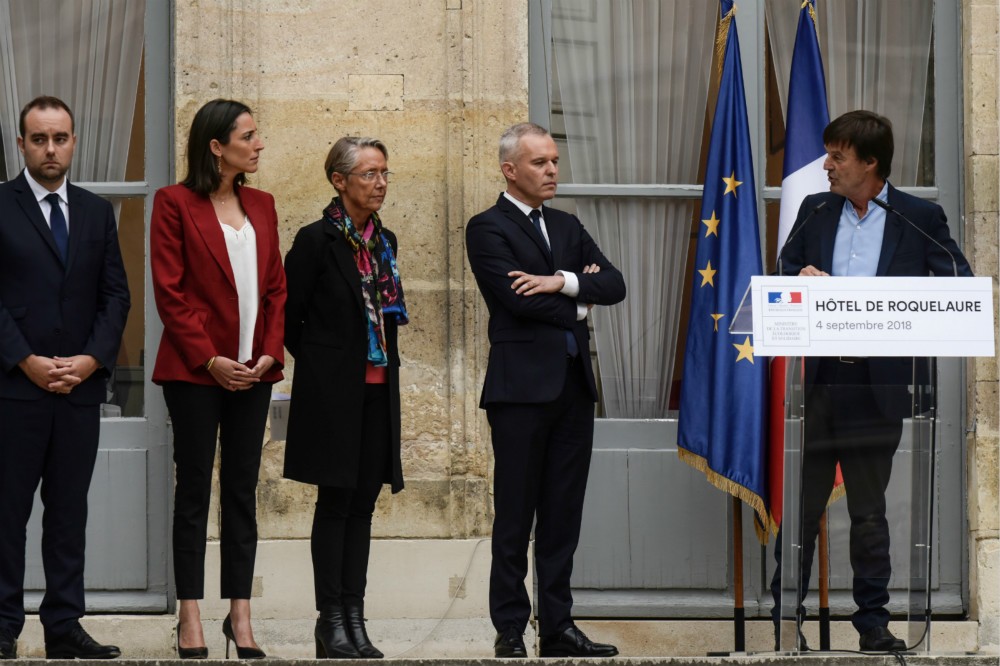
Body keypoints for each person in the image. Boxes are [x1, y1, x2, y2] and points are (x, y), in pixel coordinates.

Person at [773, 110, 973, 652]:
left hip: (876, 386)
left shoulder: (917, 216)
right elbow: (783, 270)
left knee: (868, 510)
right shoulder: (816, 210)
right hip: (815, 387)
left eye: (838, 156)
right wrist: (799, 277)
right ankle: (784, 621)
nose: (827, 165)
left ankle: (872, 622)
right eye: (827, 153)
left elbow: (957, 281)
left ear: (871, 163)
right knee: (802, 510)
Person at [465, 123, 626, 659]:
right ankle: (510, 628)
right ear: (510, 170)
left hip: (574, 389)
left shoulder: (567, 223)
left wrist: (561, 282)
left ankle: (557, 627)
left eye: (554, 161)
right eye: (540, 163)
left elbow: (616, 284)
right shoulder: (486, 228)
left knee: (562, 515)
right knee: (515, 514)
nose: (552, 170)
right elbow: (515, 300)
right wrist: (581, 298)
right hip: (519, 392)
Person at [151, 99, 286, 660]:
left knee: (241, 492)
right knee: (192, 495)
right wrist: (210, 359)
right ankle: (189, 617)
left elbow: (276, 288)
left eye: (257, 135)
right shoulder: (174, 203)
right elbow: (170, 292)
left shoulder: (263, 204)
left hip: (254, 375)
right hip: (195, 375)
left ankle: (240, 615)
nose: (258, 145)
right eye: (248, 136)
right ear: (216, 145)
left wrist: (268, 356)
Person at [0, 95, 130, 660]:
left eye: (60, 138)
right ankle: (3, 625)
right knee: (6, 513)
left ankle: (63, 625)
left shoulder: (97, 212)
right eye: (39, 139)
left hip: (79, 390)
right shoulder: (0, 206)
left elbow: (116, 295)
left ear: (74, 141)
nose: (50, 149)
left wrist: (92, 359)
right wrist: (25, 358)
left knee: (68, 512)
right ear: (22, 143)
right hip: (14, 387)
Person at [283, 137, 408, 660]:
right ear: (339, 180)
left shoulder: (387, 241)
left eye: (384, 173)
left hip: (379, 392)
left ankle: (355, 619)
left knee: (364, 505)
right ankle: (329, 620)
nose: (379, 183)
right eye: (368, 174)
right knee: (334, 504)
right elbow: (290, 323)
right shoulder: (315, 241)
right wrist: (325, 366)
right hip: (334, 395)